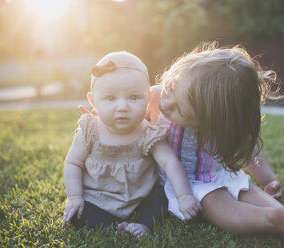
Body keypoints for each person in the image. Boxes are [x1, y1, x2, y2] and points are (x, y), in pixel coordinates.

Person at [80, 43, 284, 247]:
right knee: (217, 204)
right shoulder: (154, 98)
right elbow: (128, 122)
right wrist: (101, 120)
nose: (167, 101)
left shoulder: (219, 124)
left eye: (179, 109)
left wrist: (269, 178)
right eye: (171, 86)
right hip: (183, 183)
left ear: (210, 119)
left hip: (218, 174)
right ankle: (271, 219)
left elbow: (249, 153)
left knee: (248, 189)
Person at [62, 51, 201, 238]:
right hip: (97, 197)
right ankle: (114, 227)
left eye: (134, 97)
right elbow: (73, 163)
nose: (122, 107)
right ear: (93, 101)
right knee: (78, 213)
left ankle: (144, 224)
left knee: (160, 196)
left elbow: (169, 163)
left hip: (141, 195)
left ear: (149, 99)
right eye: (110, 98)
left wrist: (184, 196)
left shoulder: (147, 133)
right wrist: (75, 197)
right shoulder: (89, 130)